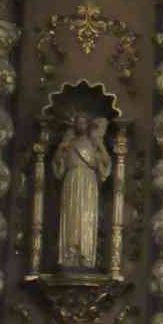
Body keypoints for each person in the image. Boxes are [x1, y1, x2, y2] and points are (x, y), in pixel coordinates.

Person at [52, 114, 111, 269]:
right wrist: (60, 149)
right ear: (75, 125)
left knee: (87, 216)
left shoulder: (93, 143)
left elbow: (105, 163)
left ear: (89, 124)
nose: (81, 125)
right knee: (71, 214)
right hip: (71, 180)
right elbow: (58, 164)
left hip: (88, 181)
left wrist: (101, 146)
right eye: (78, 122)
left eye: (84, 122)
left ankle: (86, 254)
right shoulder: (69, 144)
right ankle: (70, 253)